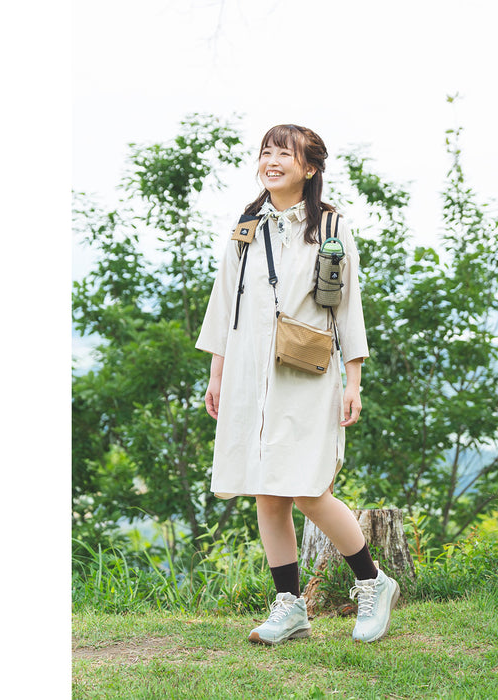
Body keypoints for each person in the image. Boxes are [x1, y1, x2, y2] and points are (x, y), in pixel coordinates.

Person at [195, 124, 399, 645]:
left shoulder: (329, 226)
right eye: (266, 152)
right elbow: (223, 303)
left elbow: (349, 305)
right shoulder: (246, 227)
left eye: (284, 153)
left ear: (308, 168)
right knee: (267, 491)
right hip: (249, 374)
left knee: (309, 490)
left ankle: (373, 582)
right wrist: (216, 374)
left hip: (308, 373)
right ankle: (290, 606)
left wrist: (353, 380)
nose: (272, 160)